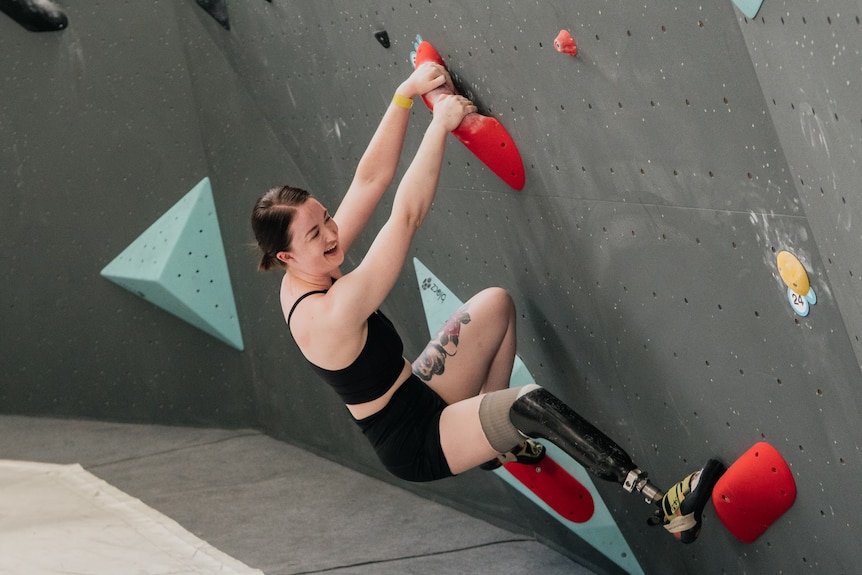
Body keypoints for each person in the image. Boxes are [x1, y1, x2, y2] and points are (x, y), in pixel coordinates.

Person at [251, 62, 724, 543]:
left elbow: (369, 181)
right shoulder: (331, 312)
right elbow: (407, 215)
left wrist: (405, 95)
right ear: (286, 255)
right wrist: (440, 124)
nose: (333, 232)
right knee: (529, 406)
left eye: (327, 217)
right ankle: (663, 504)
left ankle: (494, 447)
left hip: (416, 393)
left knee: (495, 305)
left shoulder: (310, 261)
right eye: (317, 232)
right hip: (415, 442)